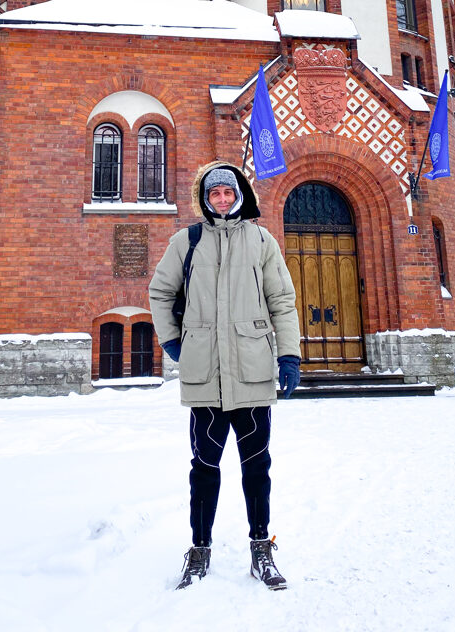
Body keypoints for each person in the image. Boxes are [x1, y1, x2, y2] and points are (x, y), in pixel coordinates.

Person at [148, 161, 302, 591]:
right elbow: (161, 291)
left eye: (227, 192)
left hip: (252, 372)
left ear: (238, 195)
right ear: (205, 197)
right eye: (214, 193)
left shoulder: (261, 240)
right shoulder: (188, 241)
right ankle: (199, 551)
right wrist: (171, 341)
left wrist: (289, 356)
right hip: (205, 374)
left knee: (257, 468)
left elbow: (282, 300)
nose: (221, 199)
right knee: (204, 469)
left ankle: (261, 549)